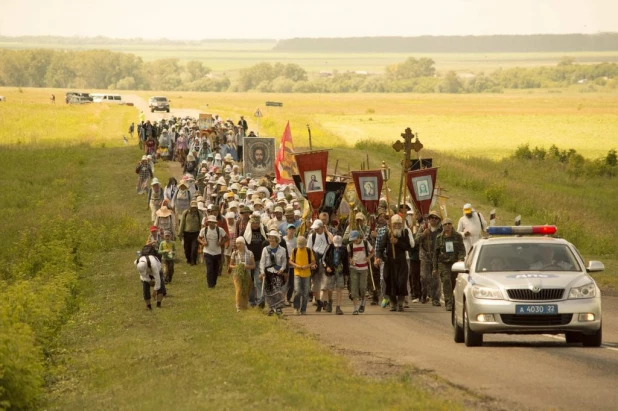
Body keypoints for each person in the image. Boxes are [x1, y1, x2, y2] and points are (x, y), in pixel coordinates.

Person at [375, 214, 415, 312]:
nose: (397, 225)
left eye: (399, 223)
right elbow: (381, 247)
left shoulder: (404, 233)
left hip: (401, 262)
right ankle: (393, 303)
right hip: (389, 262)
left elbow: (408, 247)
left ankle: (400, 302)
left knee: (401, 282)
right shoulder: (388, 233)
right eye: (395, 224)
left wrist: (397, 242)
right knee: (389, 281)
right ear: (391, 224)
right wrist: (378, 257)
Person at [433, 218, 466, 311]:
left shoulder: (458, 236)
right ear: (442, 226)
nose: (447, 226)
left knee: (454, 283)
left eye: (449, 224)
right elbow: (435, 253)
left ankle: (455, 301)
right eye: (445, 224)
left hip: (455, 263)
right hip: (443, 264)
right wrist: (435, 268)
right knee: (446, 281)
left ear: (452, 225)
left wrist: (460, 259)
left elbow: (461, 250)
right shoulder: (439, 238)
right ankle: (449, 302)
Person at [415, 210, 442, 306]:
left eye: (435, 218)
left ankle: (435, 299)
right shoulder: (423, 227)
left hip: (437, 256)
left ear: (439, 220)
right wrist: (423, 235)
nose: (433, 220)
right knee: (424, 277)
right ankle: (424, 294)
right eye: (431, 218)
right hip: (425, 255)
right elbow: (416, 240)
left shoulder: (442, 229)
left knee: (436, 278)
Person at [259, 230, 288, 316]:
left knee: (277, 290)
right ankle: (271, 308)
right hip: (268, 273)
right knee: (269, 291)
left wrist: (282, 269)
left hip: (277, 273)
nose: (271, 239)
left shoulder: (282, 250)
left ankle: (278, 308)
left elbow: (284, 261)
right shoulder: (265, 249)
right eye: (269, 238)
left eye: (272, 238)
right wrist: (262, 271)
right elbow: (262, 262)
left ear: (276, 239)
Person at [307, 219, 333, 312]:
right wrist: (311, 263)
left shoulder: (327, 234)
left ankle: (324, 302)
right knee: (315, 284)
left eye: (317, 228)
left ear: (322, 227)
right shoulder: (312, 236)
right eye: (315, 228)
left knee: (325, 283)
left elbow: (333, 242)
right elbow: (309, 250)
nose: (316, 230)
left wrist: (326, 231)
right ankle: (319, 302)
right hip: (315, 261)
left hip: (325, 261)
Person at [244, 213, 268, 308]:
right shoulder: (244, 233)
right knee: (250, 281)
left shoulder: (263, 232)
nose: (255, 225)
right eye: (253, 223)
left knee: (258, 280)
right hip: (249, 260)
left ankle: (260, 300)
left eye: (257, 223)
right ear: (250, 223)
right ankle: (251, 300)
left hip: (260, 260)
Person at [347, 230, 374, 314]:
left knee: (363, 288)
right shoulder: (350, 246)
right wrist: (350, 260)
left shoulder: (365, 243)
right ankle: (355, 308)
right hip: (354, 268)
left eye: (356, 239)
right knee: (354, 289)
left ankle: (363, 302)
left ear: (359, 237)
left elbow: (373, 251)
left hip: (364, 268)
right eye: (353, 240)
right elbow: (348, 257)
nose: (355, 241)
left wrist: (369, 257)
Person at [323, 235, 350, 315]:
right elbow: (323, 259)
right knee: (330, 289)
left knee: (339, 289)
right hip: (331, 271)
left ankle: (338, 307)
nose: (337, 247)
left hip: (340, 271)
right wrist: (327, 267)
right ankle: (330, 301)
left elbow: (346, 262)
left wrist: (346, 274)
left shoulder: (344, 249)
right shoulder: (329, 248)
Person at [199, 215, 228, 288]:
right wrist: (203, 243)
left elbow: (227, 238)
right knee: (209, 268)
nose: (211, 224)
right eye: (210, 222)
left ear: (215, 223)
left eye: (213, 222)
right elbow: (199, 238)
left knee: (216, 269)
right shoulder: (204, 230)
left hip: (217, 252)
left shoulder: (220, 230)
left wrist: (221, 243)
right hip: (207, 251)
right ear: (208, 222)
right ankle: (210, 285)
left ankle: (213, 283)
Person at [289, 236, 316, 315]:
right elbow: (290, 261)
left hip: (307, 274)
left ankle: (303, 309)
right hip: (297, 273)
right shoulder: (295, 250)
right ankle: (296, 308)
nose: (300, 247)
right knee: (297, 291)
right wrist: (296, 265)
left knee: (306, 292)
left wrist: (307, 266)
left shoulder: (308, 250)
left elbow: (313, 261)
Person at [229, 237, 255, 312]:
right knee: (239, 289)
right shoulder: (235, 253)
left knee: (245, 290)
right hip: (237, 274)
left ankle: (244, 306)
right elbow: (230, 265)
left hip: (247, 274)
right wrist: (237, 266)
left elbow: (253, 265)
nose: (238, 245)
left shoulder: (249, 253)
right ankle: (238, 306)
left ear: (244, 244)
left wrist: (247, 267)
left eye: (240, 243)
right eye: (237, 243)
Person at [179, 201, 202, 266]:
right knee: (187, 248)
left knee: (194, 248)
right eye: (193, 207)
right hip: (187, 233)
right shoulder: (185, 213)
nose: (194, 209)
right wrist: (180, 233)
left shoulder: (199, 214)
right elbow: (182, 223)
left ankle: (193, 261)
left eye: (195, 207)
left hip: (196, 233)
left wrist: (202, 233)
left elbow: (201, 223)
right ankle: (188, 259)